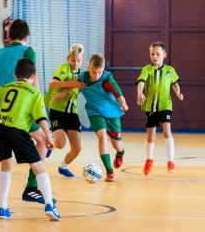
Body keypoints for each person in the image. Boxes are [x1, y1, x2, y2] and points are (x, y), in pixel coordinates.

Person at [0, 19, 54, 206]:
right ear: (26, 37)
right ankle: (31, 188)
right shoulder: (28, 52)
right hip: (17, 109)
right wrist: (39, 109)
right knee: (43, 141)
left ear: (8, 36)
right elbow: (32, 80)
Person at [0, 58, 60, 220]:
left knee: (5, 166)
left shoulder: (4, 87)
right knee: (38, 167)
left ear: (15, 74)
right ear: (33, 76)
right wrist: (48, 137)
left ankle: (2, 208)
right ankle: (50, 205)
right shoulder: (34, 92)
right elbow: (41, 118)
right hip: (17, 130)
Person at [78, 53, 128, 182]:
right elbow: (73, 86)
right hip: (94, 112)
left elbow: (118, 93)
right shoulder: (82, 78)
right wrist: (63, 93)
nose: (96, 75)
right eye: (93, 72)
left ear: (103, 69)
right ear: (88, 67)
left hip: (112, 113)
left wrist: (123, 103)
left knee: (117, 144)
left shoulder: (106, 79)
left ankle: (120, 153)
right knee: (102, 137)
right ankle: (109, 171)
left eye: (99, 72)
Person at [136, 41, 184, 175]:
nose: (155, 56)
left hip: (165, 105)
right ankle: (149, 159)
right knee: (151, 136)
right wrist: (140, 93)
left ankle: (171, 161)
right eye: (152, 54)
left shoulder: (170, 70)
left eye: (158, 54)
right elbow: (141, 82)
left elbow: (175, 84)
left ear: (164, 55)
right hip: (150, 106)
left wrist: (177, 92)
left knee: (166, 131)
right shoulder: (147, 69)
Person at [44, 43, 86, 178]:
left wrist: (66, 90)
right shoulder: (64, 68)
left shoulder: (82, 74)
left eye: (78, 60)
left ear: (82, 60)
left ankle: (63, 167)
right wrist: (68, 86)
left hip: (72, 112)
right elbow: (52, 83)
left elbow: (76, 84)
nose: (76, 63)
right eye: (73, 60)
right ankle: (49, 141)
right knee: (61, 145)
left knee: (77, 148)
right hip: (57, 110)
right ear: (68, 58)